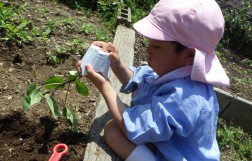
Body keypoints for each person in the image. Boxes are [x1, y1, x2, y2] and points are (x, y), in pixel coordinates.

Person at [76, 0, 230, 160]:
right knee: (115, 127)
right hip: (170, 144)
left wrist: (105, 86)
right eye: (149, 43)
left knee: (113, 130)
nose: (148, 50)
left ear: (189, 56)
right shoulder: (175, 72)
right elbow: (142, 83)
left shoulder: (186, 98)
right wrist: (117, 65)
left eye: (156, 47)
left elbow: (132, 127)